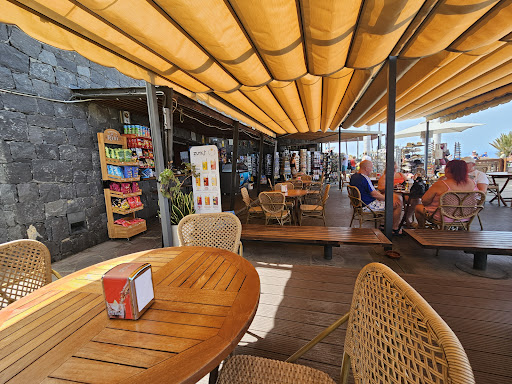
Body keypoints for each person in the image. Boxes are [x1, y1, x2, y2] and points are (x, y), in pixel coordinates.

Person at [415, 160, 479, 228]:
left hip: (443, 217)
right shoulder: (472, 182)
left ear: (448, 169)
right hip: (465, 217)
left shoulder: (441, 184)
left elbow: (425, 201)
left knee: (418, 207)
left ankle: (421, 228)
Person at [349, 160, 403, 234]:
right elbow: (374, 194)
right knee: (398, 203)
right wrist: (389, 200)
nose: (372, 169)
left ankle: (384, 224)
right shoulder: (365, 178)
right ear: (366, 168)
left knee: (391, 199)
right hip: (368, 206)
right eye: (371, 167)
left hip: (359, 204)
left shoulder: (354, 177)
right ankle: (394, 228)